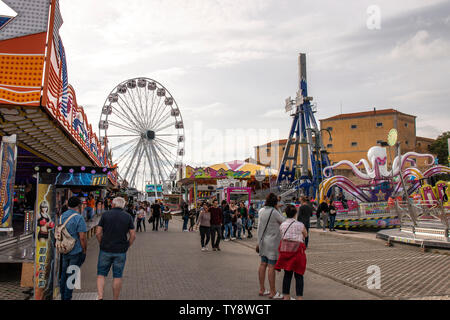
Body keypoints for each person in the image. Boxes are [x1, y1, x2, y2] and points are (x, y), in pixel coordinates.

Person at [96, 197, 136, 300]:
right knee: (117, 276)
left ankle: (100, 296)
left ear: (113, 204)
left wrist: (101, 242)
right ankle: (115, 298)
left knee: (101, 274)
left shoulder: (105, 215)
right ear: (123, 206)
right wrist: (127, 245)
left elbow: (98, 232)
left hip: (105, 249)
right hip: (120, 250)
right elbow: (133, 235)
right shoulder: (128, 217)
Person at [275, 204, 308, 300]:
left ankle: (286, 296)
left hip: (286, 252)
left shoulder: (282, 225)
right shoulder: (300, 225)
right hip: (298, 252)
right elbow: (305, 234)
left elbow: (282, 235)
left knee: (287, 274)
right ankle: (299, 297)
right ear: (295, 214)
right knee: (299, 275)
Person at [257, 193, 286, 300]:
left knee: (262, 264)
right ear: (275, 202)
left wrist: (258, 242)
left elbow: (260, 227)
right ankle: (273, 292)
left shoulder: (261, 211)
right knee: (271, 266)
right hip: (272, 242)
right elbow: (283, 221)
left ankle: (262, 289)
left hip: (262, 242)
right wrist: (277, 209)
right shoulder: (274, 212)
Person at [59, 197, 87, 300]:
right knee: (71, 275)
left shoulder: (62, 216)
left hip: (64, 249)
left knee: (64, 274)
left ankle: (63, 295)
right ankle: (67, 297)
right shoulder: (78, 218)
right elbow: (82, 237)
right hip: (76, 250)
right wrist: (84, 250)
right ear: (78, 206)